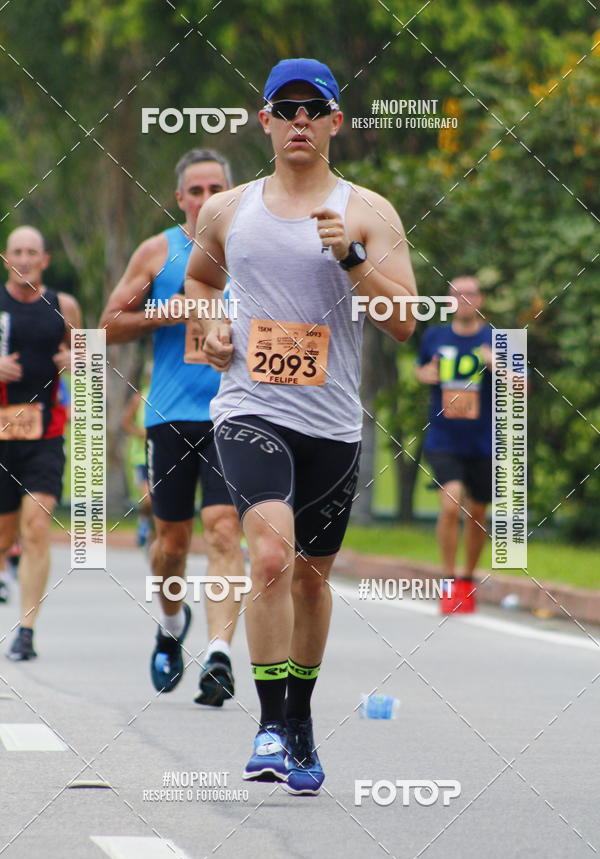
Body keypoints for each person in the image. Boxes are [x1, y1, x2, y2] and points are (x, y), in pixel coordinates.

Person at [185, 58, 417, 794]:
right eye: (284, 109)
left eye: (312, 110)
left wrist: (349, 257)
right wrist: (211, 324)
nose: (298, 122)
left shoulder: (367, 211)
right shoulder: (230, 210)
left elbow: (405, 320)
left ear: (335, 122)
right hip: (251, 409)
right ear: (264, 120)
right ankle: (268, 724)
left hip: (333, 424)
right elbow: (200, 280)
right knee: (271, 560)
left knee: (313, 582)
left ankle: (300, 719)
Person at [99, 149, 244, 706]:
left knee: (225, 530)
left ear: (230, 194)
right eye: (195, 191)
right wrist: (171, 312)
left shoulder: (251, 248)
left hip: (237, 412)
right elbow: (110, 323)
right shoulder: (159, 252)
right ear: (179, 198)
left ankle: (219, 654)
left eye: (216, 189)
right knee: (172, 543)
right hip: (172, 416)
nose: (206, 199)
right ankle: (169, 621)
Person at [0, 226, 81, 659]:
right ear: (6, 258)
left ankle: (26, 629)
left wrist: (78, 358)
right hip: (1, 435)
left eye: (33, 252)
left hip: (45, 435)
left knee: (35, 528)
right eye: (18, 252)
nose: (26, 259)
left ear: (45, 259)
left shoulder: (63, 305)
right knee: (4, 534)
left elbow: (91, 365)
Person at [415, 275, 493, 612]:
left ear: (481, 300)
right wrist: (426, 375)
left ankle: (467, 579)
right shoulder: (435, 336)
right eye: (456, 294)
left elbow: (524, 387)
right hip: (443, 437)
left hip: (484, 442)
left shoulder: (496, 339)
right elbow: (421, 371)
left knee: (477, 513)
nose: (463, 299)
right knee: (451, 504)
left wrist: (497, 364)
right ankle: (447, 581)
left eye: (469, 294)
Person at [121, 367, 154, 548]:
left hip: (161, 454)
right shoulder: (139, 398)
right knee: (147, 498)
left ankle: (155, 531)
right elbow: (125, 423)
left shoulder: (166, 398)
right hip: (141, 457)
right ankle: (143, 522)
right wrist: (140, 433)